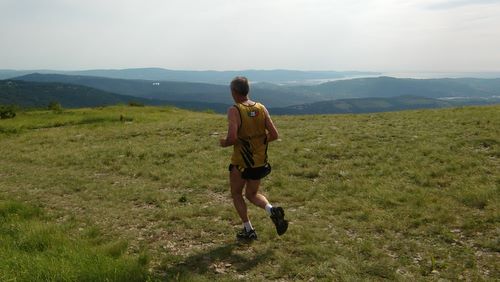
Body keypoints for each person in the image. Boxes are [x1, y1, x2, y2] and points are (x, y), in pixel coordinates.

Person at [219, 76, 288, 240]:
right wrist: (258, 142)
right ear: (247, 90)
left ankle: (248, 230)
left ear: (234, 92)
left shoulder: (235, 110)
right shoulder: (261, 108)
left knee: (236, 193)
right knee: (252, 194)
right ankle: (272, 210)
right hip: (259, 162)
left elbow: (233, 138)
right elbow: (274, 135)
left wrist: (223, 143)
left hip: (241, 162)